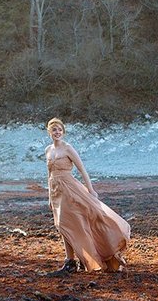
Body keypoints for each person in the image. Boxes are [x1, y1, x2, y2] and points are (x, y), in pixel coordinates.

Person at [44, 117, 131, 274]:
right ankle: (72, 261)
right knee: (63, 225)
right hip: (56, 190)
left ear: (63, 132)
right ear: (49, 132)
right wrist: (49, 197)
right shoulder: (48, 150)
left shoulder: (68, 148)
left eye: (59, 130)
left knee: (70, 223)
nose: (57, 132)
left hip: (70, 189)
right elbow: (49, 173)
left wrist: (91, 190)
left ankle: (73, 261)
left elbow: (82, 170)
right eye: (54, 130)